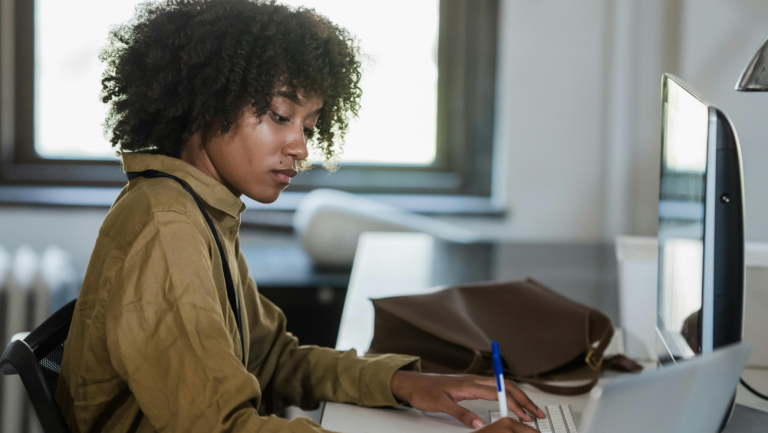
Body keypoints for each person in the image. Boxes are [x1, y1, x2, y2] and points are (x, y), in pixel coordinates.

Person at [56, 1, 543, 432]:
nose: (301, 148)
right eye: (280, 116)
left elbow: (275, 361)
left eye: (308, 126)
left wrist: (403, 382)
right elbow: (221, 428)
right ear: (208, 103)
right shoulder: (168, 227)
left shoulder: (202, 210)